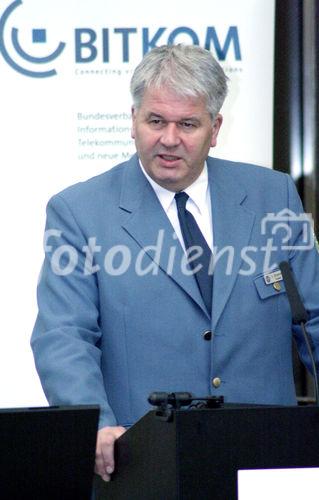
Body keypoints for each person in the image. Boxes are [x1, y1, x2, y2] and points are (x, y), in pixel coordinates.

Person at [31, 44, 319, 483]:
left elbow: (314, 317)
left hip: (268, 456)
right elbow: (63, 337)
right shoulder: (79, 211)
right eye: (155, 121)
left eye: (187, 124)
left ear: (215, 128)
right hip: (143, 459)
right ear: (133, 121)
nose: (169, 138)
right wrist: (95, 424)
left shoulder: (272, 196)